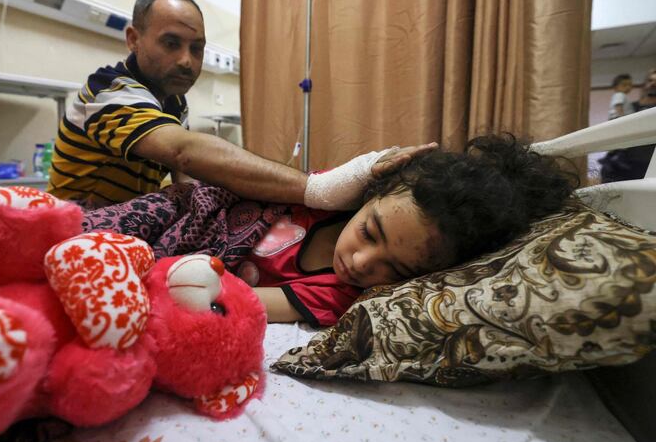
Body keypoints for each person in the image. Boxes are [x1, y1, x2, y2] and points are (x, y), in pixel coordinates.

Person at [47, 0, 428, 209]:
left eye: (196, 48)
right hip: (77, 232)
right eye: (171, 43)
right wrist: (318, 189)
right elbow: (183, 151)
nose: (187, 60)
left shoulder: (171, 102)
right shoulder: (110, 93)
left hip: (129, 228)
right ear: (133, 38)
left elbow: (185, 179)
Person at [244, 134, 578, 326]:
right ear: (370, 193)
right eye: (370, 233)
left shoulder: (339, 295)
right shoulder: (330, 194)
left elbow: (242, 301)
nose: (362, 263)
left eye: (395, 269)